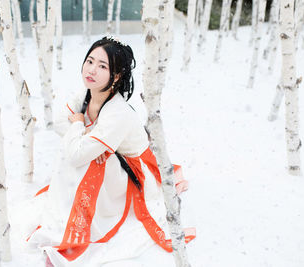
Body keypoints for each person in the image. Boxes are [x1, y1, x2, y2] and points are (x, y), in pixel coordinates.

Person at [25, 37, 193, 267]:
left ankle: (81, 228)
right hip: (115, 159)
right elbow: (58, 123)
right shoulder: (88, 94)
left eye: (102, 66)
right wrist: (86, 137)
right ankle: (65, 217)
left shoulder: (118, 111)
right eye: (90, 61)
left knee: (85, 158)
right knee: (78, 151)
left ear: (115, 77)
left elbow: (75, 150)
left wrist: (79, 129)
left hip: (136, 173)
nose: (92, 70)